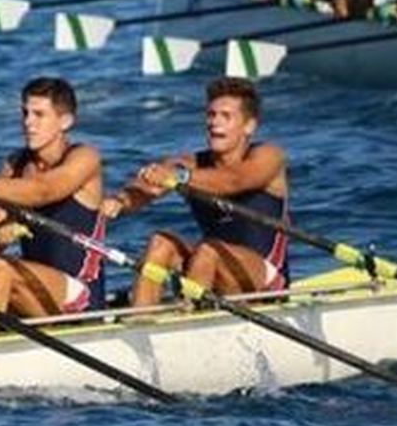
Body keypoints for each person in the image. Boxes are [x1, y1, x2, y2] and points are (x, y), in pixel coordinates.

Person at [101, 77, 290, 307]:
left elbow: (235, 180)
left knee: (209, 250)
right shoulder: (190, 163)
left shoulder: (268, 156)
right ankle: (141, 320)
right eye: (211, 115)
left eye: (225, 116)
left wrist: (179, 178)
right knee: (161, 242)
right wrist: (120, 201)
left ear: (249, 126)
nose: (214, 123)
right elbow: (149, 188)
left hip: (265, 279)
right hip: (211, 267)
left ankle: (189, 318)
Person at [0, 77, 106, 330]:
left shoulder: (84, 157)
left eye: (39, 115)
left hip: (80, 294)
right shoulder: (15, 164)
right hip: (31, 286)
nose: (28, 123)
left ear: (65, 121)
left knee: (3, 269)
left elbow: (45, 190)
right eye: (25, 113)